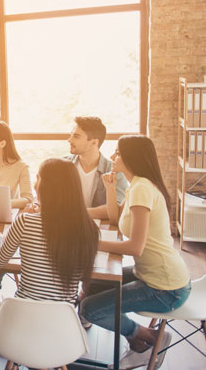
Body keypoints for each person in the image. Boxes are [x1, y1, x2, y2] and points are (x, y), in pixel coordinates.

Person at [80, 135, 191, 370]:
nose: (112, 157)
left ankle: (150, 339)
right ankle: (139, 342)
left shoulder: (142, 188)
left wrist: (94, 243)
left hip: (165, 288)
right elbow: (115, 218)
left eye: (118, 153)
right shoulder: (137, 185)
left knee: (89, 308)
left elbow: (134, 247)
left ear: (132, 158)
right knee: (93, 281)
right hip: (154, 275)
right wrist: (110, 188)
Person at [0, 159, 99, 307]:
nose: (35, 184)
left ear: (46, 187)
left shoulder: (25, 222)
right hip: (63, 319)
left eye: (38, 178)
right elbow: (84, 275)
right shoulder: (89, 228)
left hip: (22, 313)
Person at [65, 116, 127, 209]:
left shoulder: (115, 171)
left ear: (94, 142)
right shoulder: (61, 166)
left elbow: (117, 208)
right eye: (71, 135)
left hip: (100, 224)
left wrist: (79, 214)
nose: (69, 140)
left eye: (76, 136)